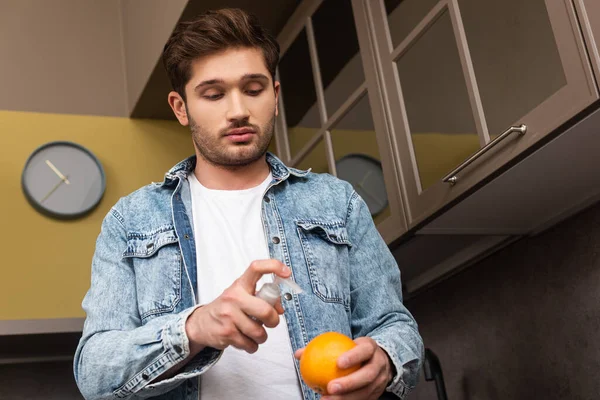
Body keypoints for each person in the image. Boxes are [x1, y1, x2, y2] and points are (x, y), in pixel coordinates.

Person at [73, 8, 423, 400]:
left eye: (253, 89)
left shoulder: (337, 203)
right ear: (180, 108)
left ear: (274, 96)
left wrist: (386, 358)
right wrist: (194, 328)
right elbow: (94, 372)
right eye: (213, 94)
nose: (238, 110)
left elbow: (394, 324)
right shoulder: (130, 220)